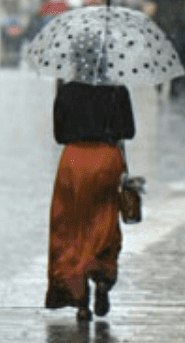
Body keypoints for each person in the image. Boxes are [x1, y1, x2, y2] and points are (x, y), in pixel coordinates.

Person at [46, 80, 134, 322]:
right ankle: (103, 277)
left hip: (73, 162)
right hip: (107, 160)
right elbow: (128, 131)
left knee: (71, 227)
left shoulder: (66, 90)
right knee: (105, 223)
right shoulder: (117, 90)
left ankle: (81, 301)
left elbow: (60, 135)